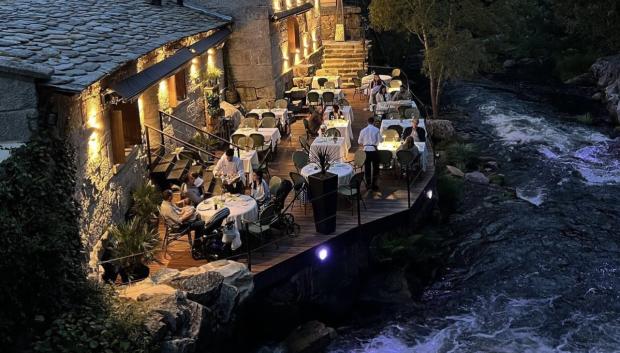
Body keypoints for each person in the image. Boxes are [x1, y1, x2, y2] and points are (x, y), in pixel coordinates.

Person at [357, 116, 382, 191]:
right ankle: (374, 185)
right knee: (375, 168)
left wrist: (365, 142)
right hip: (374, 150)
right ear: (373, 122)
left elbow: (359, 142)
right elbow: (380, 140)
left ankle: (368, 185)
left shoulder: (363, 130)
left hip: (366, 151)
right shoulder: (377, 129)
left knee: (367, 168)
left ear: (367, 122)